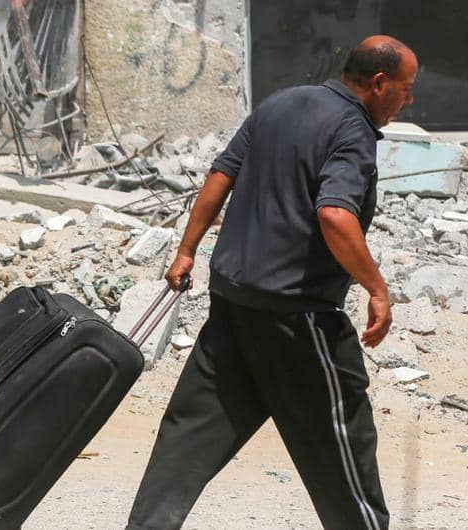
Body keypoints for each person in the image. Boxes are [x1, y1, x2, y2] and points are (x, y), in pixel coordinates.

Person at [125, 36, 417, 530]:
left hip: (234, 299)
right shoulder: (353, 128)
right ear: (379, 83)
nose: (408, 99)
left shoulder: (280, 103)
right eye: (406, 89)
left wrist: (186, 250)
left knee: (194, 428)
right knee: (341, 435)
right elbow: (335, 215)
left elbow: (221, 174)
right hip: (296, 313)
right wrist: (377, 288)